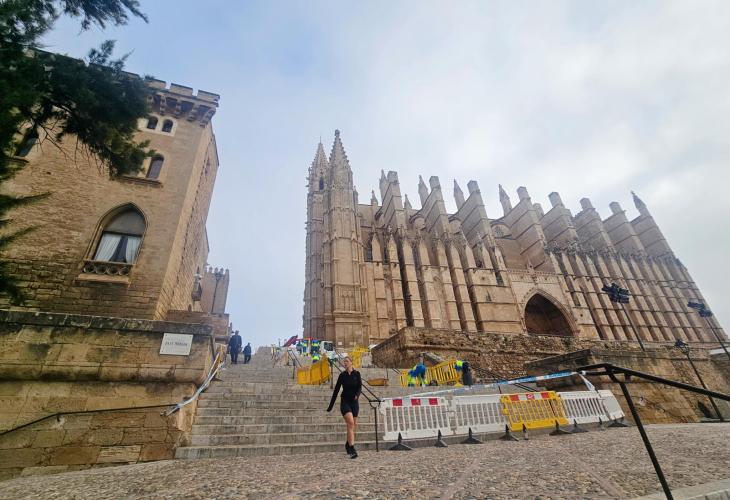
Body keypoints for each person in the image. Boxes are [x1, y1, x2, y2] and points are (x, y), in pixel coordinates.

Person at [326, 356, 362, 459]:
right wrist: (330, 406)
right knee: (350, 423)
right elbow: (336, 390)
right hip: (345, 402)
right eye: (344, 361)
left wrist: (357, 395)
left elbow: (360, 387)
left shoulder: (357, 374)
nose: (345, 363)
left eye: (346, 361)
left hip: (354, 403)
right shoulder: (342, 375)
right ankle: (352, 449)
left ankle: (348, 444)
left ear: (351, 362)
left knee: (353, 426)